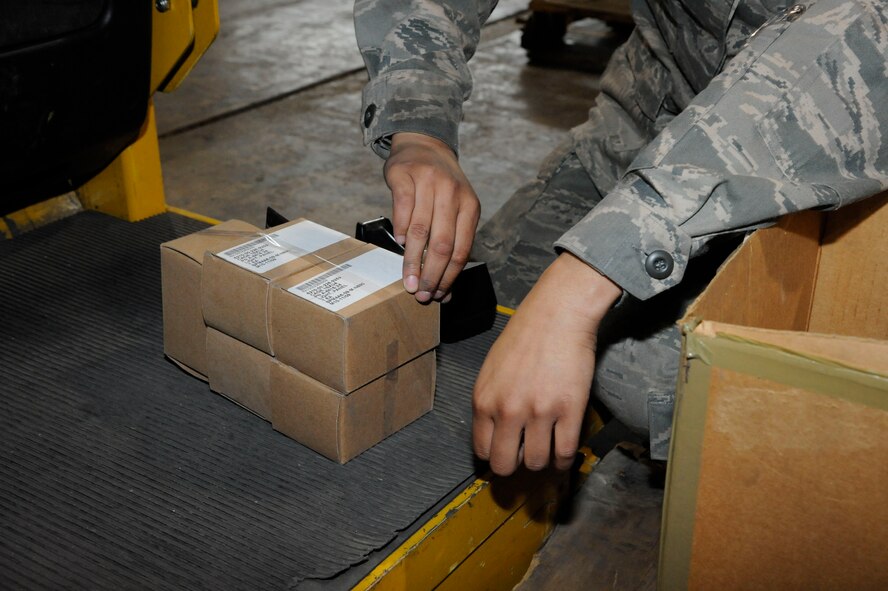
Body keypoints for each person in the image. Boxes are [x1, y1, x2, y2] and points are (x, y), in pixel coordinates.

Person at [354, 0, 888, 475]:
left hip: (832, 176)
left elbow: (860, 39)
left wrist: (583, 284)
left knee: (643, 382)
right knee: (491, 301)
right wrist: (420, 128)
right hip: (651, 120)